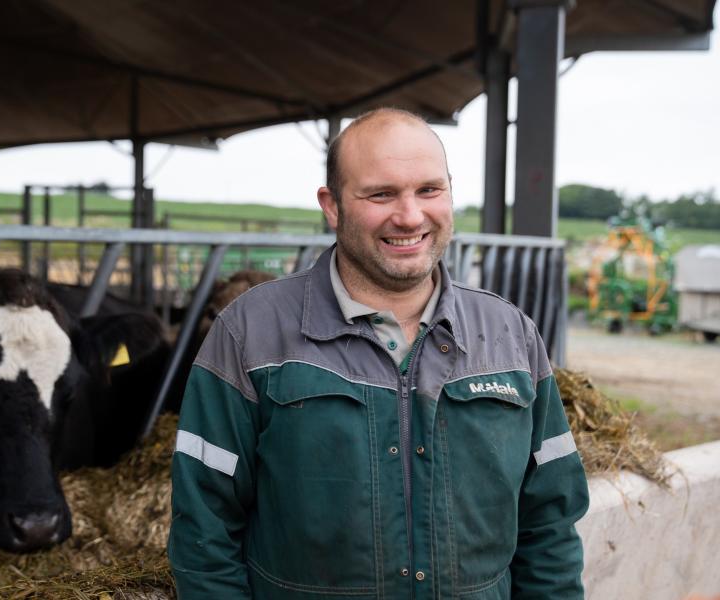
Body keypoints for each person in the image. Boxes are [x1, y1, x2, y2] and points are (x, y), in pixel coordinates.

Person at [168, 108, 589, 599]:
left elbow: (550, 527)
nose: (410, 216)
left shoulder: (511, 336)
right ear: (332, 205)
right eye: (381, 194)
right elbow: (204, 529)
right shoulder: (250, 333)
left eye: (429, 190)